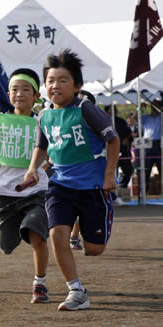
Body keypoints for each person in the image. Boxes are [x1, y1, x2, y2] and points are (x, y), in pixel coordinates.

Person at [24, 49, 119, 311]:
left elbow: (113, 139)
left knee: (94, 249)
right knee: (56, 234)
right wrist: (33, 169)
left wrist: (109, 175)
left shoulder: (86, 109)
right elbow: (41, 146)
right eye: (51, 80)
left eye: (63, 80)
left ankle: (96, 220)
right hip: (60, 187)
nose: (55, 85)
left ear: (76, 85)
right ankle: (76, 291)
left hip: (93, 188)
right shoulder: (44, 115)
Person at [0, 68, 50, 304]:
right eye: (15, 89)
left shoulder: (43, 122)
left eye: (26, 89)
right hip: (5, 193)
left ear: (36, 95)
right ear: (8, 95)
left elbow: (51, 153)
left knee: (36, 232)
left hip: (35, 191)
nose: (20, 94)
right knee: (5, 245)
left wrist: (43, 170)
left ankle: (40, 284)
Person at [141, 100, 162, 191]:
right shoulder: (146, 117)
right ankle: (144, 190)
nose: (154, 109)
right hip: (147, 143)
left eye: (156, 107)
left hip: (157, 143)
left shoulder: (161, 117)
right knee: (146, 169)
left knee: (160, 167)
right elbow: (131, 120)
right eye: (153, 106)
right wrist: (140, 107)